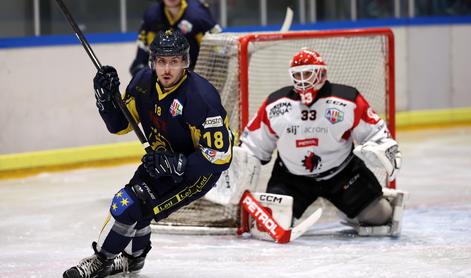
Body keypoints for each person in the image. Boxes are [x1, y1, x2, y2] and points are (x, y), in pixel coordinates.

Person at [63, 29, 233, 278]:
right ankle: (134, 260)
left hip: (197, 174)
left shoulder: (201, 98)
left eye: (174, 61)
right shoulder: (143, 83)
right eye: (162, 61)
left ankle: (102, 261)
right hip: (159, 160)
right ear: (153, 61)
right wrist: (106, 100)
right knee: (136, 208)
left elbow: (220, 157)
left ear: (185, 62)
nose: (167, 69)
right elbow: (120, 125)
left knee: (128, 204)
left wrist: (179, 164)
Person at [240, 48, 403, 236]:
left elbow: (377, 133)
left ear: (321, 72)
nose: (302, 79)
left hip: (342, 175)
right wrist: (240, 163)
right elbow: (253, 143)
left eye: (307, 73)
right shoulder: (276, 105)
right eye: (297, 74)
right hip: (292, 178)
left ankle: (348, 210)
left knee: (380, 215)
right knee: (272, 223)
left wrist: (380, 148)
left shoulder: (347, 99)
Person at [130, 0, 222, 76]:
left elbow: (219, 51)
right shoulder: (151, 15)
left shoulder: (199, 14)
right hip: (160, 76)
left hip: (194, 76)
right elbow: (141, 57)